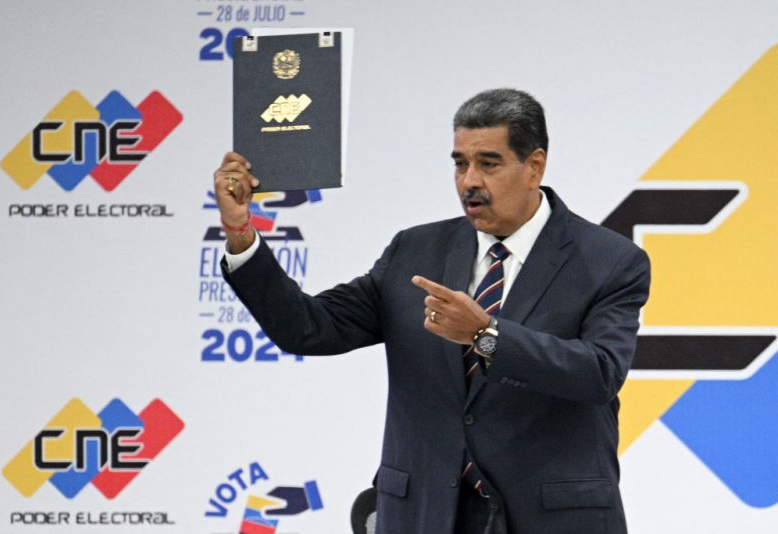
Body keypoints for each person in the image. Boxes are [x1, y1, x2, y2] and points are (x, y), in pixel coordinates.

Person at [214, 88, 650, 534]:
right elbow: (309, 328)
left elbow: (598, 373)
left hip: (549, 518)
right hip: (425, 515)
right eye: (460, 163)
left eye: (489, 163)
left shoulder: (608, 260)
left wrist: (487, 335)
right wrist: (240, 234)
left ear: (534, 166)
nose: (469, 181)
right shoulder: (415, 251)